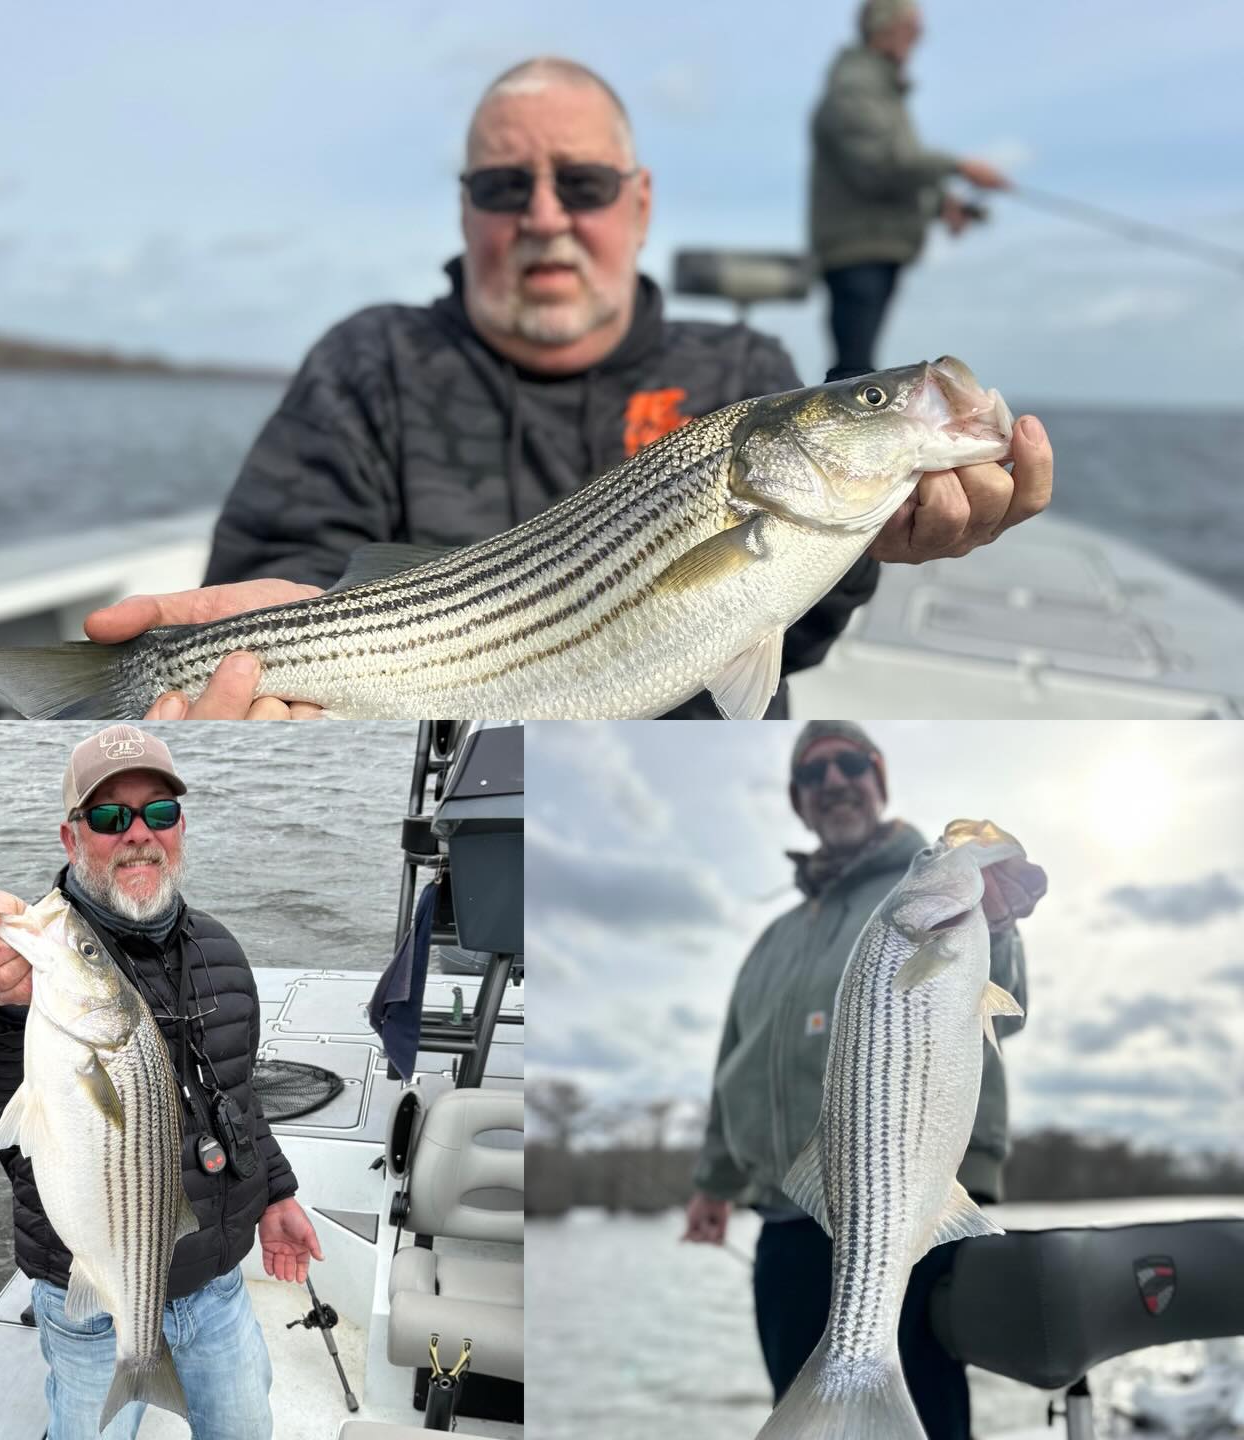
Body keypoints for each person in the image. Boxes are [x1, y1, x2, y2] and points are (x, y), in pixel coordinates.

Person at [82, 56, 1052, 720]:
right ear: (466, 210)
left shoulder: (741, 379)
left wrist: (875, 542)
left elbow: (773, 643)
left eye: (583, 184)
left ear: (640, 203)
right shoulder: (371, 361)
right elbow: (297, 558)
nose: (545, 217)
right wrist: (275, 656)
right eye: (506, 188)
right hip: (440, 762)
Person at [0, 725, 323, 1439]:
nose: (138, 835)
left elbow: (238, 1094)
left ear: (180, 828)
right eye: (111, 817)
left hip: (217, 1281)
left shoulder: (221, 951)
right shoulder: (39, 967)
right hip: (85, 1287)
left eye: (160, 813)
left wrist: (277, 1192)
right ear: (72, 837)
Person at [682, 720, 1047, 1440]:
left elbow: (1001, 1013)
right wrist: (712, 1181)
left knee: (928, 1413)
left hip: (914, 1208)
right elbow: (735, 1063)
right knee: (810, 1407)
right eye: (814, 775)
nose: (835, 782)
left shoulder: (939, 905)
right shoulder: (773, 939)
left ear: (878, 780)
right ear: (799, 800)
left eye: (851, 764)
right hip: (786, 1218)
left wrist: (998, 926)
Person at [811, 0, 1012, 380]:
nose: (919, 37)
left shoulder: (878, 89)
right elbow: (879, 166)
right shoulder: (856, 86)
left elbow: (891, 169)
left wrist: (941, 204)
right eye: (913, 28)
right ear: (886, 29)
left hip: (874, 245)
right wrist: (960, 167)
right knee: (854, 371)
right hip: (858, 248)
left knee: (858, 368)